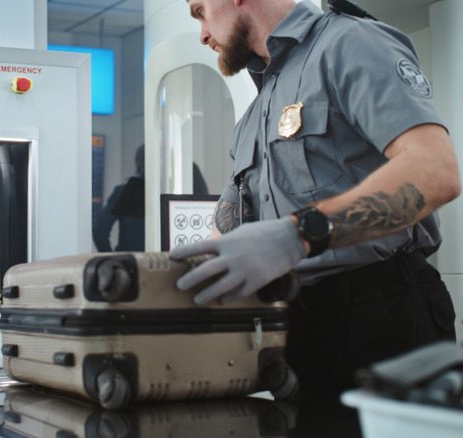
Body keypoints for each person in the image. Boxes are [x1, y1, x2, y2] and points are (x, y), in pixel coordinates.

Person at [172, 0, 461, 402]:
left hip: (383, 313)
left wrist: (298, 235)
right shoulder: (253, 116)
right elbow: (227, 226)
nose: (202, 34)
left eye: (200, 11)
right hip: (298, 326)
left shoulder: (349, 43)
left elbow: (435, 171)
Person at [93, 145, 145, 252]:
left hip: (130, 264)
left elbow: (100, 231)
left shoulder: (128, 191)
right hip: (164, 264)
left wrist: (113, 260)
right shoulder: (168, 193)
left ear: (138, 163)